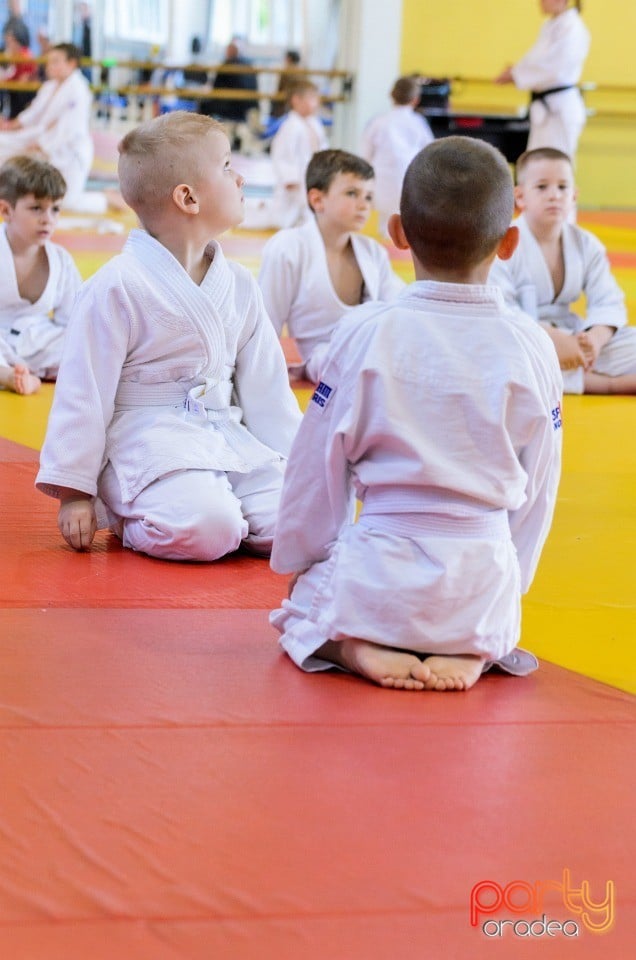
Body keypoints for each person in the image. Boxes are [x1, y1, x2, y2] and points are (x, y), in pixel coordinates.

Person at [269, 136, 563, 692]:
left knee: (300, 599)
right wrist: (512, 579)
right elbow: (541, 482)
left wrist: (304, 557)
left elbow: (315, 463)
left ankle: (352, 644)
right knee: (487, 593)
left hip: (381, 574)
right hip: (481, 584)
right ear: (508, 243)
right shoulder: (531, 343)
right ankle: (476, 647)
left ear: (398, 234)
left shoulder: (364, 331)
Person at [36, 111, 301, 561]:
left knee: (299, 524)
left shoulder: (238, 284)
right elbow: (84, 393)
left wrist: (301, 465)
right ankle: (129, 513)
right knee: (212, 530)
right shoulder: (116, 285)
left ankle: (227, 503)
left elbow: (267, 391)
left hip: (224, 432)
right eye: (226, 166)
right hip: (146, 439)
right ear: (188, 198)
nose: (239, 178)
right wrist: (74, 491)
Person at [489, 147, 636, 395]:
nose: (554, 196)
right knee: (504, 356)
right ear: (520, 196)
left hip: (575, 337)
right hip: (528, 336)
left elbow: (609, 301)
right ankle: (607, 384)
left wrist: (595, 341)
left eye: (562, 187)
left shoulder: (585, 244)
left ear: (574, 196)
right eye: (542, 187)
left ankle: (577, 369)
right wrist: (553, 339)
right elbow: (501, 311)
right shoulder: (504, 243)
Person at [259, 149, 404, 383]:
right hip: (326, 359)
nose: (363, 205)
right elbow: (265, 325)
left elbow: (400, 308)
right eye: (352, 193)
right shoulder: (288, 248)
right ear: (317, 199)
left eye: (368, 196)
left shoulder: (373, 253)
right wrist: (263, 383)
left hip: (374, 352)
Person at [0, 42, 123, 215]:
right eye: (49, 61)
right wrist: (10, 126)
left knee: (66, 202)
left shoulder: (79, 90)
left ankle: (106, 198)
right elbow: (32, 114)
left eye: (56, 61)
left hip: (70, 153)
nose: (49, 66)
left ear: (71, 63)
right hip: (44, 144)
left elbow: (69, 130)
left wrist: (40, 145)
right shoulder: (49, 87)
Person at [0, 155, 81, 394]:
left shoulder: (61, 261)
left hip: (38, 342)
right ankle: (8, 375)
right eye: (36, 208)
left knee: (90, 345)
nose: (48, 219)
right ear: (6, 210)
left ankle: (22, 372)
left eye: (55, 209)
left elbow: (74, 320)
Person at [495, 0, 590, 160]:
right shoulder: (550, 25)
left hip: (559, 109)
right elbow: (536, 59)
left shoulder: (573, 27)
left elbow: (555, 68)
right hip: (544, 109)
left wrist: (516, 75)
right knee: (535, 166)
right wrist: (516, 70)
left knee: (557, 167)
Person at [360, 75, 434, 239]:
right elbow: (430, 154)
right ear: (416, 100)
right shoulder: (418, 123)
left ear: (391, 95)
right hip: (410, 182)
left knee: (385, 227)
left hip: (382, 183)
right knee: (405, 227)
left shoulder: (378, 122)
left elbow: (365, 156)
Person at [269, 80, 328, 228]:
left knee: (310, 213)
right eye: (312, 99)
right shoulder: (290, 126)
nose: (316, 103)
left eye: (317, 99)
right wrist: (289, 177)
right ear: (296, 100)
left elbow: (323, 148)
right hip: (295, 180)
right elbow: (282, 155)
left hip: (313, 174)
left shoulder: (315, 123)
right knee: (288, 218)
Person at [200, 39, 258, 127]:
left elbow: (215, 88)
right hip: (248, 106)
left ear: (228, 52)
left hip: (230, 106)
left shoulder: (226, 66)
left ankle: (204, 131)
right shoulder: (248, 65)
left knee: (203, 103)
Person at [0, 21, 38, 118]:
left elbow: (22, 79)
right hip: (15, 92)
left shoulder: (24, 55)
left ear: (17, 41)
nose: (7, 44)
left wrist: (4, 80)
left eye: (10, 41)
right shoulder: (14, 55)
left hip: (23, 95)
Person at [270, 49, 301, 119]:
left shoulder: (286, 70)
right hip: (298, 100)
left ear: (289, 58)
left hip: (286, 102)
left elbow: (280, 88)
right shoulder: (302, 71)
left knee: (274, 100)